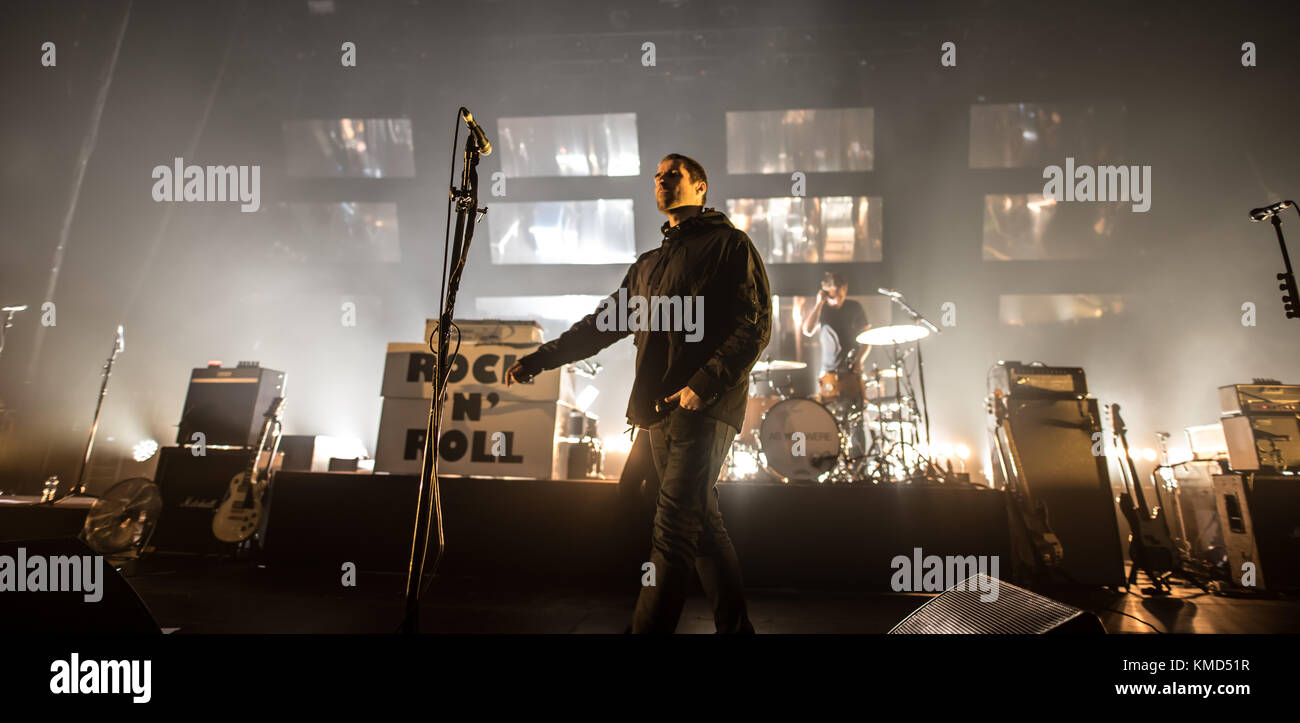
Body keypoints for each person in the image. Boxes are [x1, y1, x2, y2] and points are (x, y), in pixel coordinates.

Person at [505, 153, 770, 634]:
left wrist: (702, 386)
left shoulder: (730, 245)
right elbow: (601, 326)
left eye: (674, 175)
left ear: (701, 187)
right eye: (658, 177)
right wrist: (540, 358)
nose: (662, 182)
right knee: (704, 529)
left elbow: (753, 326)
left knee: (672, 533)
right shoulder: (649, 265)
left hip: (703, 410)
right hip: (657, 414)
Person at [800, 272, 871, 454]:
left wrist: (858, 361)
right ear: (825, 293)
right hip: (828, 372)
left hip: (851, 372)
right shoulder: (821, 309)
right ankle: (831, 459)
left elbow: (867, 338)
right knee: (828, 420)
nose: (837, 300)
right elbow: (807, 330)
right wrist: (819, 303)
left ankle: (858, 462)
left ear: (845, 290)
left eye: (840, 295)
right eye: (832, 296)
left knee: (856, 420)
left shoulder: (855, 307)